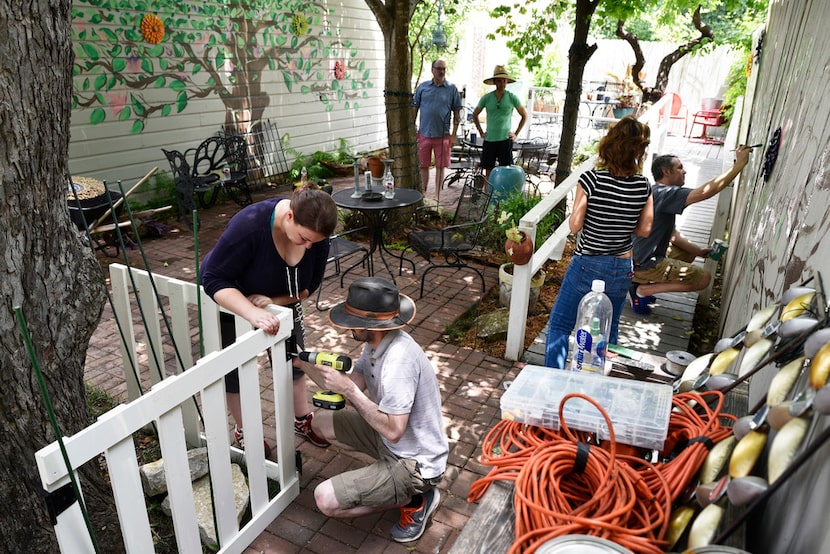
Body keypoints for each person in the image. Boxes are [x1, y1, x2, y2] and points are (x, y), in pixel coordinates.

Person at [302, 277, 448, 543]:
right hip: (393, 444)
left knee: (326, 500)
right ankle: (385, 481)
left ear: (371, 325)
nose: (347, 328)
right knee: (320, 422)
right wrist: (302, 364)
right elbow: (351, 385)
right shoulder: (375, 344)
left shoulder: (398, 362)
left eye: (351, 321)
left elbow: (393, 430)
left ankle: (416, 498)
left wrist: (348, 390)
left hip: (415, 463)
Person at [200, 185, 338, 451]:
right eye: (303, 238)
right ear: (289, 217)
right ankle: (246, 431)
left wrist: (273, 302)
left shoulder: (316, 234)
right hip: (230, 296)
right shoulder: (249, 225)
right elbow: (214, 278)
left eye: (315, 242)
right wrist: (251, 312)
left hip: (280, 302)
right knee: (235, 371)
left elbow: (309, 287)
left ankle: (301, 419)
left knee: (294, 360)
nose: (310, 246)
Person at [544, 116, 654, 370]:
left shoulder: (592, 179)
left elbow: (574, 226)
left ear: (610, 144)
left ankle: (553, 379)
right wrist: (622, 224)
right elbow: (646, 229)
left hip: (588, 264)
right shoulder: (643, 186)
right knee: (608, 327)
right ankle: (600, 380)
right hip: (622, 267)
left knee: (561, 324)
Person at [629, 146, 752, 315]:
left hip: (632, 261)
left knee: (686, 253)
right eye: (679, 168)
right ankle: (642, 291)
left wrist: (700, 252)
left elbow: (673, 236)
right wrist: (739, 164)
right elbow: (705, 192)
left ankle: (637, 284)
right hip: (642, 263)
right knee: (704, 279)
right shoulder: (665, 193)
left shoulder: (654, 191)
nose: (684, 171)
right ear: (666, 172)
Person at [413, 58, 463, 204]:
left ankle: (437, 195)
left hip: (443, 135)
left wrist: (453, 135)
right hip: (424, 133)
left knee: (441, 167)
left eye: (444, 69)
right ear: (432, 70)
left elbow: (457, 115)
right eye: (439, 68)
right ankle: (423, 192)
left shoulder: (451, 89)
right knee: (423, 165)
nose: (441, 71)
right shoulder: (422, 88)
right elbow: (414, 109)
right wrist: (412, 130)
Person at [471, 65, 528, 182]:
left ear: (506, 82)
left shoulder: (512, 97)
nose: (502, 83)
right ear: (495, 82)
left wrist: (516, 134)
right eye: (499, 81)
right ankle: (488, 196)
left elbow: (524, 115)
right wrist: (481, 132)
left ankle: (503, 197)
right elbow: (475, 114)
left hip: (505, 140)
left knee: (506, 171)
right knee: (488, 171)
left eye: (504, 80)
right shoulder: (486, 98)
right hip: (490, 139)